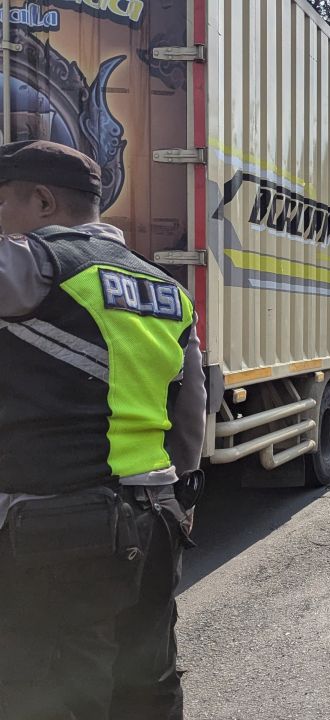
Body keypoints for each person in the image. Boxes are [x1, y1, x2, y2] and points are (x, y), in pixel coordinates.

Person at [0, 140, 206, 717]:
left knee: (51, 694)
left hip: (56, 527)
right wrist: (184, 493)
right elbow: (191, 406)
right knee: (147, 681)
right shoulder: (167, 289)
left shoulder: (31, 265)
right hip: (156, 519)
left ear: (41, 201)